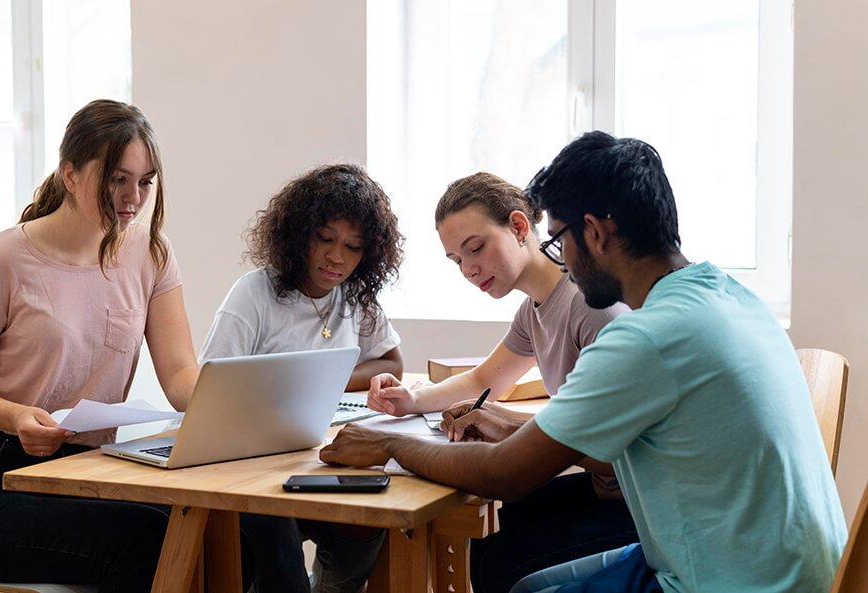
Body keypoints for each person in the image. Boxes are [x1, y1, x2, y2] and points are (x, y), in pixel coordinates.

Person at [321, 132, 847, 593]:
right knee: (509, 548)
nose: (562, 257)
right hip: (797, 566)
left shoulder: (646, 338)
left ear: (593, 233)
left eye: (560, 238)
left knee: (511, 568)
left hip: (732, 580)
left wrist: (390, 443)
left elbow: (505, 475)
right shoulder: (731, 297)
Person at [0, 99, 200, 593]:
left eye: (145, 181)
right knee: (149, 539)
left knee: (237, 524)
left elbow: (180, 377)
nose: (133, 198)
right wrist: (16, 416)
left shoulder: (150, 252)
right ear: (70, 174)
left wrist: (240, 409)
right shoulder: (3, 258)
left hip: (86, 473)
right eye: (117, 179)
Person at [366, 171, 637, 592]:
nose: (469, 270)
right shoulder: (535, 309)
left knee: (505, 560)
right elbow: (486, 379)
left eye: (475, 248)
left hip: (643, 501)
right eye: (457, 261)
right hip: (613, 488)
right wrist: (410, 401)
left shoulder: (590, 305)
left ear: (519, 226)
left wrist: (512, 427)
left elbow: (625, 449)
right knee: (505, 524)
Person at [199, 163, 405, 593]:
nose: (336, 257)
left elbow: (392, 363)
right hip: (255, 466)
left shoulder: (355, 297)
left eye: (352, 247)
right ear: (299, 234)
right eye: (325, 239)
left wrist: (323, 379)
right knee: (269, 520)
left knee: (370, 515)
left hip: (319, 456)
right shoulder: (255, 292)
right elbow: (211, 386)